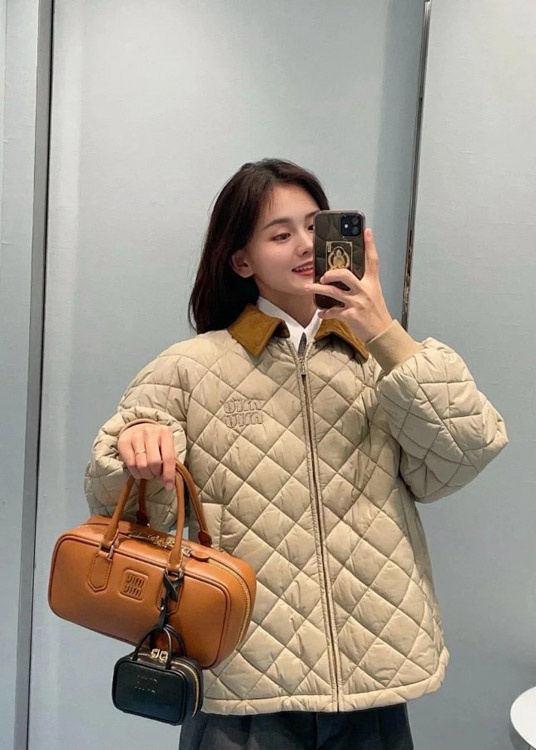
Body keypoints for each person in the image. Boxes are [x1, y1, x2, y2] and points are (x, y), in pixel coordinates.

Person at [85, 158, 508, 749]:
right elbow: (109, 490)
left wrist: (383, 329)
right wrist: (133, 447)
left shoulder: (381, 360)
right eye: (280, 235)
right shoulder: (189, 368)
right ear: (243, 261)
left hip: (371, 685)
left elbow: (465, 451)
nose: (306, 245)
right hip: (242, 690)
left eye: (315, 226)